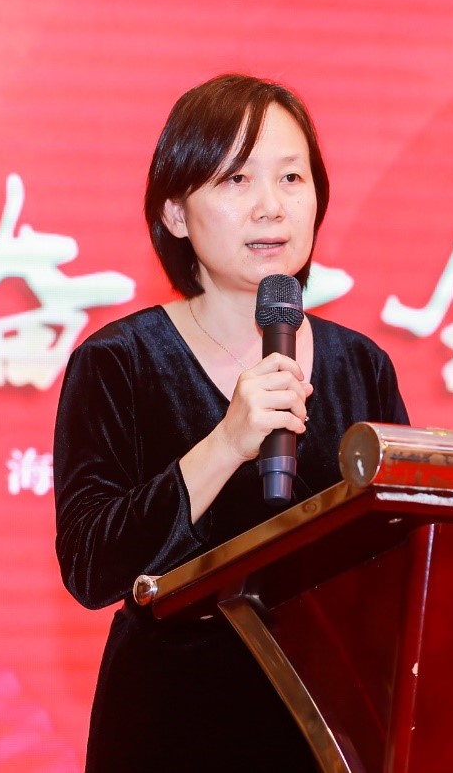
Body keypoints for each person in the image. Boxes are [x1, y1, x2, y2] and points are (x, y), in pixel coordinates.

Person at [53, 74, 410, 771]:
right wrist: (226, 443)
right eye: (237, 180)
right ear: (176, 213)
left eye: (291, 178)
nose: (270, 206)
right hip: (172, 726)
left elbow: (400, 557)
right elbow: (91, 566)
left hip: (333, 728)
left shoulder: (362, 366)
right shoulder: (119, 363)